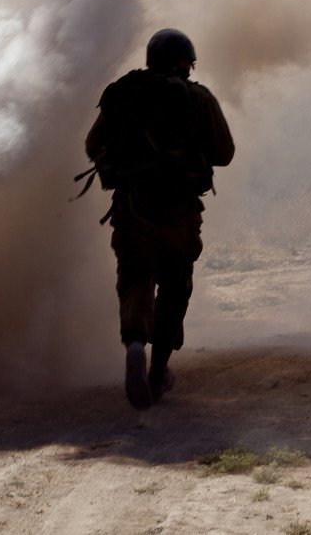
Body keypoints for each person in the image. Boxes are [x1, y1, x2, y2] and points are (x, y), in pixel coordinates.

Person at [84, 29, 234, 409]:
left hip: (133, 208)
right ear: (186, 62)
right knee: (174, 285)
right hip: (180, 214)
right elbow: (224, 152)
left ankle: (135, 343)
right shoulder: (197, 98)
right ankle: (158, 370)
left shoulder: (124, 92)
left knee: (136, 277)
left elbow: (92, 145)